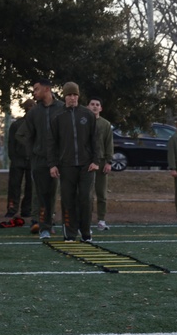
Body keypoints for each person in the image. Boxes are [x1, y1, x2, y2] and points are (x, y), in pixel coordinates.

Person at [49, 82, 99, 242]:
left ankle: (85, 232)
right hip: (66, 165)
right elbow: (52, 142)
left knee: (85, 198)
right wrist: (53, 164)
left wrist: (96, 160)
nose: (72, 98)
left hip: (87, 165)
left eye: (74, 95)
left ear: (78, 96)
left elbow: (95, 140)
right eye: (69, 95)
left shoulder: (88, 114)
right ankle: (69, 233)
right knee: (68, 199)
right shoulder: (57, 116)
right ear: (64, 96)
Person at [27, 78, 65, 239]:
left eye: (36, 89)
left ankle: (68, 226)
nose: (34, 93)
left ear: (47, 89)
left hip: (60, 160)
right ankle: (44, 227)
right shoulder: (34, 112)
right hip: (40, 160)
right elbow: (28, 136)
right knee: (42, 195)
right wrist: (33, 156)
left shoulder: (63, 108)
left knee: (60, 194)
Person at [5, 99, 35, 220]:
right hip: (18, 161)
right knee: (14, 186)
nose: (32, 108)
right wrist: (13, 157)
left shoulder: (37, 124)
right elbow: (11, 143)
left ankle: (26, 209)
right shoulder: (16, 124)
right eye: (30, 107)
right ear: (26, 108)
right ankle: (12, 209)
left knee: (31, 186)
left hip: (32, 160)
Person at [87, 97, 114, 230]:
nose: (95, 106)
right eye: (92, 104)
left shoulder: (105, 124)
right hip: (87, 162)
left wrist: (109, 161)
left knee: (101, 193)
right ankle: (86, 220)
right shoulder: (83, 122)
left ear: (101, 108)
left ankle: (101, 220)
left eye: (97, 104)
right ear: (87, 106)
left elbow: (109, 143)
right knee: (86, 194)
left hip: (102, 161)